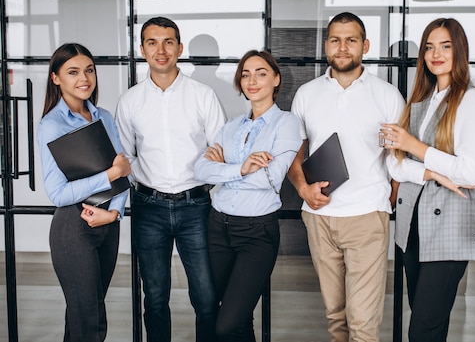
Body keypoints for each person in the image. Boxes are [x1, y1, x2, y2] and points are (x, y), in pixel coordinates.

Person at [287, 12, 406, 342]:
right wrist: (302, 189)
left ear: (364, 45)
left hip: (367, 215)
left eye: (351, 39)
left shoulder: (386, 95)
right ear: (326, 46)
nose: (342, 47)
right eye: (335, 40)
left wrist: (387, 199)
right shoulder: (307, 95)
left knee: (363, 321)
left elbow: (399, 156)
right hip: (319, 216)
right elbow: (295, 155)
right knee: (336, 316)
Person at [115, 17, 226, 342]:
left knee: (206, 298)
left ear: (179, 48)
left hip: (196, 206)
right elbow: (125, 156)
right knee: (155, 298)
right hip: (148, 207)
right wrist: (142, 184)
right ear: (142, 49)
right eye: (152, 42)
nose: (160, 50)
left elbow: (219, 151)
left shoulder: (202, 95)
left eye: (168, 42)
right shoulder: (131, 100)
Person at [382, 18, 475, 341]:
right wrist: (432, 173)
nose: (436, 54)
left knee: (423, 328)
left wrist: (414, 147)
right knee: (426, 319)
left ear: (459, 49)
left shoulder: (471, 100)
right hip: (413, 225)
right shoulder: (421, 99)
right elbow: (395, 164)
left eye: (445, 46)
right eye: (429, 47)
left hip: (450, 227)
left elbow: (471, 171)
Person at [194, 50, 302, 342]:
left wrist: (225, 170)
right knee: (237, 318)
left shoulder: (287, 124)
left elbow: (271, 178)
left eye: (261, 73)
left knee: (226, 324)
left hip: (256, 234)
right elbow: (201, 170)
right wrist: (240, 169)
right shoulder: (230, 127)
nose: (252, 81)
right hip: (217, 228)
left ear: (276, 79)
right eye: (245, 74)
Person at [38, 43, 131, 342]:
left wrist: (114, 213)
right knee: (90, 320)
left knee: (82, 317)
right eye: (73, 71)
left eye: (89, 70)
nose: (84, 78)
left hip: (107, 223)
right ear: (56, 78)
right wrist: (109, 175)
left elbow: (123, 170)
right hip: (73, 228)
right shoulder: (51, 125)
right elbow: (59, 194)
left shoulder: (103, 115)